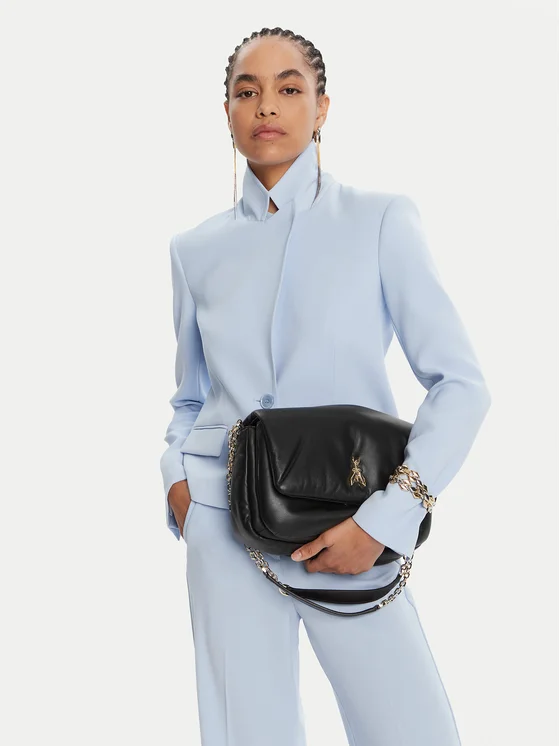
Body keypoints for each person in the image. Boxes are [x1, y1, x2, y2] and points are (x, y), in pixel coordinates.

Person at [160, 27, 491, 746]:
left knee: (412, 730)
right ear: (227, 112)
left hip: (349, 519)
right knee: (248, 732)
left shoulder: (380, 220)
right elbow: (189, 397)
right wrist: (177, 482)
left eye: (289, 88)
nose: (266, 106)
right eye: (246, 91)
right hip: (222, 520)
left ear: (322, 107)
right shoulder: (194, 251)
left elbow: (462, 384)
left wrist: (388, 520)